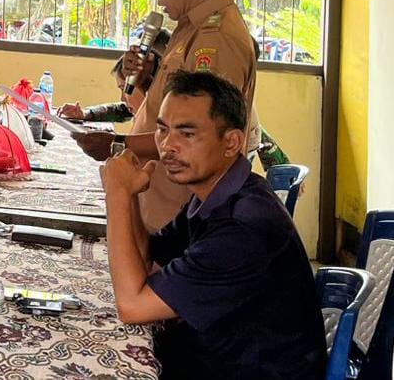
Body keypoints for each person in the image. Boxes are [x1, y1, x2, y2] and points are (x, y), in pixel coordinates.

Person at [100, 70, 325, 378]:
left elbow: (132, 307)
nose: (168, 145)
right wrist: (129, 197)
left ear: (231, 142)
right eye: (163, 130)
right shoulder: (219, 193)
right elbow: (150, 256)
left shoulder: (243, 229)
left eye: (187, 134)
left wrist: (116, 193)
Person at [73, 0, 258, 231]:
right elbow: (174, 108)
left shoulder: (216, 38)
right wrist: (146, 80)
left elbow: (197, 134)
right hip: (160, 195)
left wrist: (118, 144)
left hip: (179, 209)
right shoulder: (189, 26)